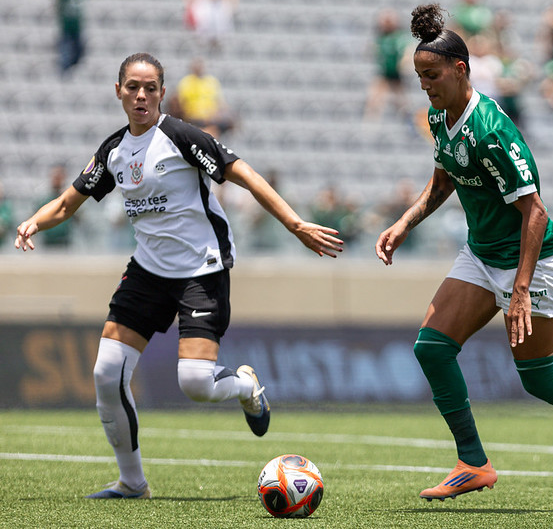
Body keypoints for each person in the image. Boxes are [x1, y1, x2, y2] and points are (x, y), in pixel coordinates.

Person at [15, 53, 344, 499]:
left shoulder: (182, 137)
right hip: (148, 271)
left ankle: (246, 386)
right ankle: (132, 483)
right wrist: (33, 222)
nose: (141, 95)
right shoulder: (113, 151)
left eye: (150, 88)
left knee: (194, 382)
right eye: (133, 87)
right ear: (118, 91)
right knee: (106, 372)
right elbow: (67, 203)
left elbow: (243, 173)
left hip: (201, 270)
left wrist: (295, 224)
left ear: (162, 93)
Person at [375, 4, 553, 503]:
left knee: (540, 379)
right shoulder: (438, 116)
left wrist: (520, 290)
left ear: (460, 69)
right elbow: (445, 179)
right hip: (483, 253)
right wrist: (405, 222)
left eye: (432, 75)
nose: (424, 85)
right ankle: (473, 462)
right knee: (432, 347)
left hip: (535, 262)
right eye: (419, 76)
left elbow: (535, 212)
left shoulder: (491, 129)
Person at [363, 8, 411, 122]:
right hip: (384, 74)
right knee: (374, 100)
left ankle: (408, 123)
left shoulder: (399, 38)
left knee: (402, 104)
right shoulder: (380, 38)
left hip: (397, 75)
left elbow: (407, 51)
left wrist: (404, 62)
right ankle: (370, 124)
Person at [173, 58, 236, 139]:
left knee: (218, 127)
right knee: (207, 132)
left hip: (211, 118)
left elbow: (219, 102)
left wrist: (216, 115)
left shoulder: (211, 81)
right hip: (193, 118)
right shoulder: (186, 82)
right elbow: (182, 104)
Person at [56, 0, 85, 76]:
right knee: (67, 49)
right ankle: (65, 69)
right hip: (67, 30)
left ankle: (70, 68)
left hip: (76, 29)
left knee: (78, 51)